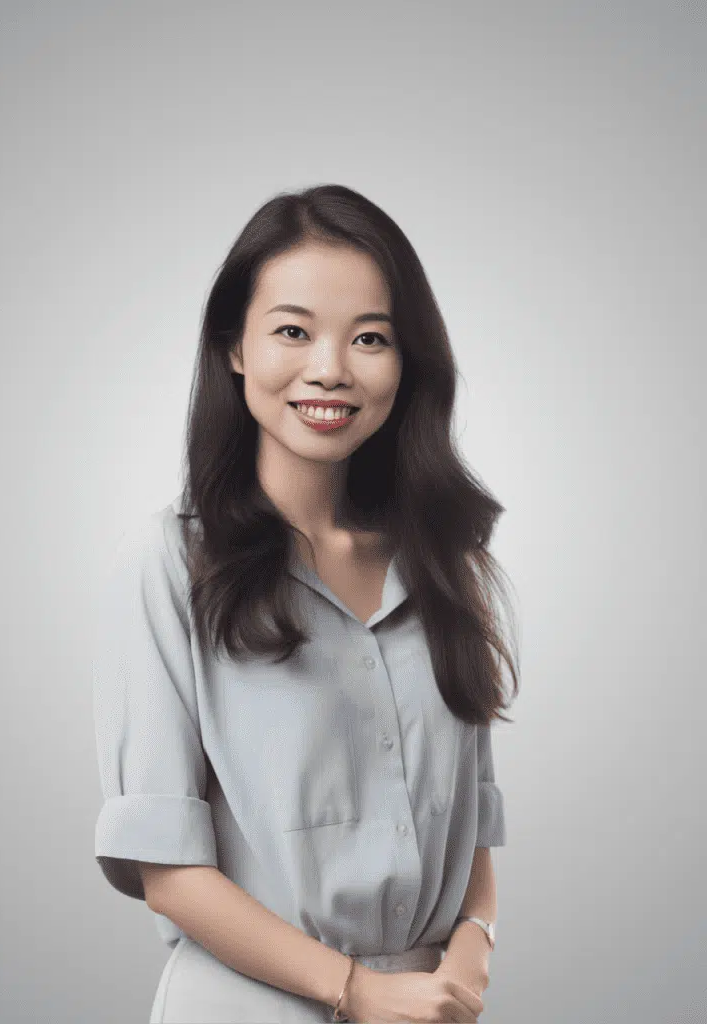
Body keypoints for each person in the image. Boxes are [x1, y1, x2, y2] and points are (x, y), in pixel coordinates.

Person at [92, 183, 518, 1023]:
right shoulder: (169, 566)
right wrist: (357, 991)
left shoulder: (446, 566)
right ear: (234, 347)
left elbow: (470, 820)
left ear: (407, 361)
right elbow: (166, 871)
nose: (330, 369)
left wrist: (472, 948)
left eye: (370, 338)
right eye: (293, 331)